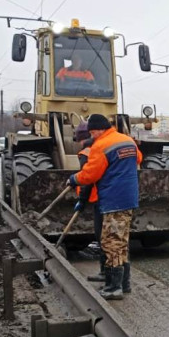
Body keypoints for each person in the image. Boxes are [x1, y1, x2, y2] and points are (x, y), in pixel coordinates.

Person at [68, 114, 139, 300]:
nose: (92, 136)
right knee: (121, 241)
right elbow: (138, 158)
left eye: (92, 132)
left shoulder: (101, 146)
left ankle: (113, 288)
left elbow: (89, 175)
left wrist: (74, 179)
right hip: (129, 197)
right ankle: (124, 284)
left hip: (113, 199)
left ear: (99, 129)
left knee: (110, 242)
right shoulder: (128, 141)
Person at [73, 122, 105, 283]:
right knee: (112, 239)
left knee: (102, 237)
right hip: (110, 197)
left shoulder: (86, 153)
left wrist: (82, 200)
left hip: (99, 198)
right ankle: (115, 277)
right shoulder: (105, 146)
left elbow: (87, 179)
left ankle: (106, 274)